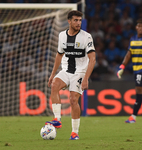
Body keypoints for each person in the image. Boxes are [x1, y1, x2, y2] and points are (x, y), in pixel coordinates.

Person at [45, 10, 96, 140]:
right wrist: (52, 74)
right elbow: (59, 55)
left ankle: (74, 132)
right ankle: (57, 119)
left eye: (80, 20)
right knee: (55, 85)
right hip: (66, 70)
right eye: (75, 20)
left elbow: (93, 59)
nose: (78, 23)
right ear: (69, 21)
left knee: (73, 100)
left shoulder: (86, 37)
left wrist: (86, 78)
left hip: (80, 72)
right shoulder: (62, 35)